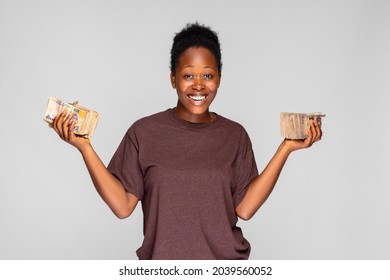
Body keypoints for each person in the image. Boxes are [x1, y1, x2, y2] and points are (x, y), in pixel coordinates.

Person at [51, 22, 322, 260]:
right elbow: (122, 207)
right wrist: (84, 147)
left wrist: (286, 148)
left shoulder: (235, 135)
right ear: (173, 79)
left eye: (208, 75)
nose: (199, 85)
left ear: (219, 79)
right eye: (188, 75)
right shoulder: (144, 132)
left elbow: (245, 208)